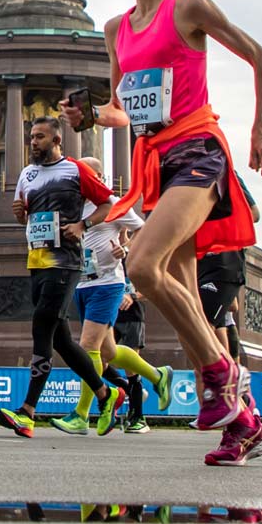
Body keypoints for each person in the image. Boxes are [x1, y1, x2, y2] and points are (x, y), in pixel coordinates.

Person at [62, 0, 262, 467]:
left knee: (144, 266)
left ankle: (223, 375)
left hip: (198, 150)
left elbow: (261, 57)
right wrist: (90, 113)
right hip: (154, 163)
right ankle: (245, 426)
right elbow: (120, 107)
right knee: (185, 309)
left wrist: (260, 128)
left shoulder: (189, 7)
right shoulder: (116, 28)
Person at [0, 120, 121, 439]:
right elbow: (25, 215)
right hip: (36, 259)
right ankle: (106, 395)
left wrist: (83, 225)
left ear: (56, 139)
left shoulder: (76, 170)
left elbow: (106, 204)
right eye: (31, 137)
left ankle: (27, 412)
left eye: (39, 137)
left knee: (42, 324)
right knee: (61, 339)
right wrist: (20, 212)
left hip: (65, 261)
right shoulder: (27, 174)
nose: (33, 142)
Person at [51, 184, 172, 436]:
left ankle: (82, 415)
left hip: (107, 283)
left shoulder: (113, 203)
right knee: (108, 351)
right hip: (82, 283)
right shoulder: (72, 204)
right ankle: (158, 375)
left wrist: (126, 249)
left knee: (87, 347)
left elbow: (143, 230)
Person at [196, 173, 260, 364]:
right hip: (198, 263)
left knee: (205, 328)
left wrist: (216, 221)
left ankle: (230, 378)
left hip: (223, 263)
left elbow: (254, 214)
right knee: (196, 330)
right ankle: (226, 381)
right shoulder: (178, 169)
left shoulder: (223, 171)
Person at [114, 283, 151, 431]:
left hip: (133, 317)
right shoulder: (105, 262)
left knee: (131, 367)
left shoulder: (136, 262)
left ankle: (138, 418)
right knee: (98, 359)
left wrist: (132, 296)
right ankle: (130, 391)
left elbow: (151, 288)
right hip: (109, 314)